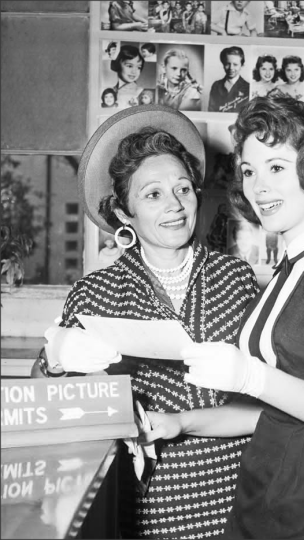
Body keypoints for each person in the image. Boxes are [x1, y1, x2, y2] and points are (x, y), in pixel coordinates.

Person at [140, 95, 304, 540]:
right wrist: (180, 423)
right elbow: (275, 412)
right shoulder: (293, 267)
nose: (258, 187)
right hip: (263, 493)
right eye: (248, 171)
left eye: (276, 168)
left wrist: (250, 376)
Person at [31, 105, 259, 539]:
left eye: (183, 189)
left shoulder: (237, 278)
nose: (174, 206)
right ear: (123, 213)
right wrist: (55, 360)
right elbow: (45, 395)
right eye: (153, 194)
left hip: (240, 499)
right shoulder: (94, 294)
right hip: (148, 510)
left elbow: (268, 396)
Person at [209, 46, 250, 113]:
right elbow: (211, 110)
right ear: (223, 64)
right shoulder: (216, 85)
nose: (231, 68)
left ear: (242, 65)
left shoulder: (247, 87)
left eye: (235, 64)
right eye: (227, 64)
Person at [110, 44, 145, 108]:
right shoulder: (112, 90)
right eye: (129, 66)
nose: (134, 71)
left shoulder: (140, 92)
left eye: (139, 67)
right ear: (118, 65)